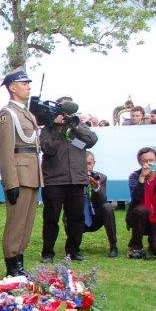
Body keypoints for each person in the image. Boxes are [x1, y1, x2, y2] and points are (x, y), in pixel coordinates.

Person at [0, 69, 42, 277]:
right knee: (16, 223)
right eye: (24, 83)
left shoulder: (26, 113)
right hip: (19, 175)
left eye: (28, 83)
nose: (28, 86)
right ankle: (12, 266)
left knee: (26, 223)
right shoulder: (8, 114)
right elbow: (5, 150)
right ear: (12, 87)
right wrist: (10, 182)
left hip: (32, 174)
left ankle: (19, 262)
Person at [39, 98, 97, 262]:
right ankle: (47, 252)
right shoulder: (48, 129)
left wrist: (75, 126)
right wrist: (58, 128)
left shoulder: (78, 125)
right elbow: (47, 148)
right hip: (54, 181)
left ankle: (73, 250)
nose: (67, 115)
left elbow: (91, 141)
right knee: (51, 218)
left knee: (76, 218)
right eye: (64, 112)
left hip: (77, 180)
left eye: (69, 112)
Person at [125, 147, 156, 259]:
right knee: (141, 210)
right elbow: (135, 198)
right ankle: (136, 245)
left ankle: (154, 241)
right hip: (140, 218)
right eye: (145, 161)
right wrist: (142, 177)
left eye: (151, 160)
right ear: (140, 162)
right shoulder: (134, 176)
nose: (149, 163)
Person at [78, 152, 118, 257]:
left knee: (107, 207)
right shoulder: (73, 178)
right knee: (70, 210)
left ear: (93, 163)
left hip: (96, 217)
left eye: (88, 163)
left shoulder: (101, 178)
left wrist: (96, 187)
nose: (86, 167)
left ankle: (113, 245)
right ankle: (74, 246)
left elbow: (103, 200)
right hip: (79, 217)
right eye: (82, 164)